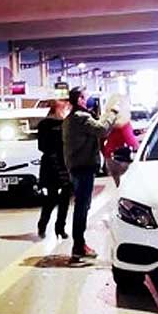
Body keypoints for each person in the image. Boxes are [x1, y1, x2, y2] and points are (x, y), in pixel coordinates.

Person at [62, 86, 118, 259]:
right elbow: (102, 130)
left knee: (82, 205)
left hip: (77, 167)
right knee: (82, 207)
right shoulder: (81, 118)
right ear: (79, 99)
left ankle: (79, 244)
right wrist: (112, 112)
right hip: (83, 167)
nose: (89, 100)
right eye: (86, 97)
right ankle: (79, 246)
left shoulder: (71, 118)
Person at [35, 99, 71, 240]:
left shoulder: (46, 124)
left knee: (57, 198)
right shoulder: (55, 124)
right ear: (58, 109)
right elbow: (43, 145)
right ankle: (54, 227)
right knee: (57, 198)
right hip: (57, 163)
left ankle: (52, 226)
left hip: (54, 164)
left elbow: (41, 146)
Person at [102, 94, 138, 187]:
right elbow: (131, 141)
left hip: (109, 157)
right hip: (124, 158)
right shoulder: (124, 123)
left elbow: (101, 139)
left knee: (118, 185)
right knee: (128, 187)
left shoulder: (106, 122)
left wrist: (105, 153)